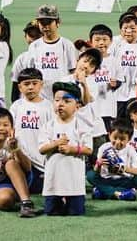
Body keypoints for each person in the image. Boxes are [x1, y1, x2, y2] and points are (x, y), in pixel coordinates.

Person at [38, 81, 92, 216]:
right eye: (56, 100)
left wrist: (72, 149)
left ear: (77, 106)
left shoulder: (82, 126)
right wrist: (56, 144)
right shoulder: (48, 126)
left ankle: (69, 202)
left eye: (67, 101)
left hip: (74, 183)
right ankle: (59, 201)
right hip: (53, 181)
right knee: (51, 212)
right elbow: (42, 149)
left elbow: (89, 149)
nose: (60, 104)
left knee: (76, 213)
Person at [89, 118, 137, 200]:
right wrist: (98, 164)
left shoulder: (130, 150)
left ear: (129, 139)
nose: (118, 142)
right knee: (90, 175)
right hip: (106, 179)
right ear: (109, 135)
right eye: (115, 138)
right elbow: (96, 172)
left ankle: (103, 192)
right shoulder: (104, 147)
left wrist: (124, 168)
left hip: (123, 180)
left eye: (122, 139)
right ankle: (120, 194)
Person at [27, 5, 79, 84]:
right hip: (41, 93)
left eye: (49, 22)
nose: (45, 26)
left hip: (61, 92)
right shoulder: (34, 46)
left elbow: (73, 71)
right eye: (42, 23)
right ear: (38, 24)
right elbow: (31, 72)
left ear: (58, 23)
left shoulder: (67, 45)